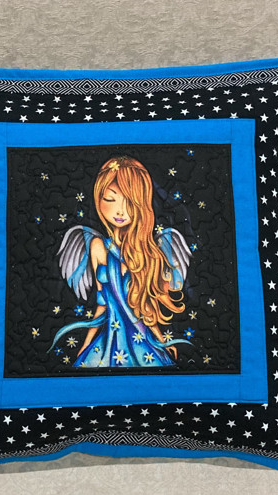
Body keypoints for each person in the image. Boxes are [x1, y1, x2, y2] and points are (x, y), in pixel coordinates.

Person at [49, 155, 192, 368]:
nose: (120, 210)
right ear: (99, 198)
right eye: (110, 199)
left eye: (130, 202)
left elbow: (144, 306)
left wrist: (161, 340)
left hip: (140, 335)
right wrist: (86, 343)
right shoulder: (98, 246)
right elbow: (102, 301)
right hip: (110, 336)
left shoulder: (146, 252)